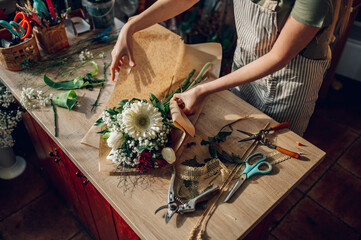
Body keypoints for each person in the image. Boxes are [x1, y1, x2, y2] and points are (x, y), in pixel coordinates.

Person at [110, 0, 350, 136]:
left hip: (289, 84)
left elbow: (279, 57)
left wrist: (204, 90)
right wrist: (131, 27)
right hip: (244, 65)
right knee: (231, 139)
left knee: (271, 161)